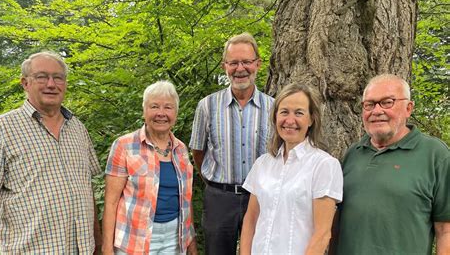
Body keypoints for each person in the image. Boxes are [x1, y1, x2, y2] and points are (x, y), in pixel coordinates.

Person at [0, 51, 102, 254]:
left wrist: (97, 243)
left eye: (58, 77)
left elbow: (87, 189)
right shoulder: (1, 128)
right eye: (42, 77)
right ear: (25, 83)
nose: (51, 84)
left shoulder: (78, 128)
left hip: (82, 249)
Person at [335, 74, 450, 254]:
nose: (377, 111)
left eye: (387, 102)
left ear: (408, 108)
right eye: (369, 104)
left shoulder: (435, 155)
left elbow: (446, 230)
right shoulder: (353, 154)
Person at [189, 32, 274, 254]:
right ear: (225, 66)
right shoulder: (207, 106)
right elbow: (197, 151)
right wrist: (213, 181)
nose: (240, 68)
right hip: (220, 198)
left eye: (246, 61)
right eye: (233, 62)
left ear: (257, 63)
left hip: (261, 198)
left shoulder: (274, 108)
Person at [239, 83, 343, 254]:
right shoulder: (262, 164)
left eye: (299, 113)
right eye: (284, 112)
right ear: (275, 117)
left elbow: (322, 234)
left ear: (311, 119)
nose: (290, 120)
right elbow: (250, 220)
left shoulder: (324, 165)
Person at [102, 80, 197, 254]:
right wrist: (107, 248)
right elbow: (111, 202)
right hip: (134, 240)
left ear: (175, 113)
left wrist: (190, 242)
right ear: (144, 110)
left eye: (168, 107)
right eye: (154, 106)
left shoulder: (181, 149)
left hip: (174, 240)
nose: (161, 113)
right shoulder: (124, 145)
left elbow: (186, 199)